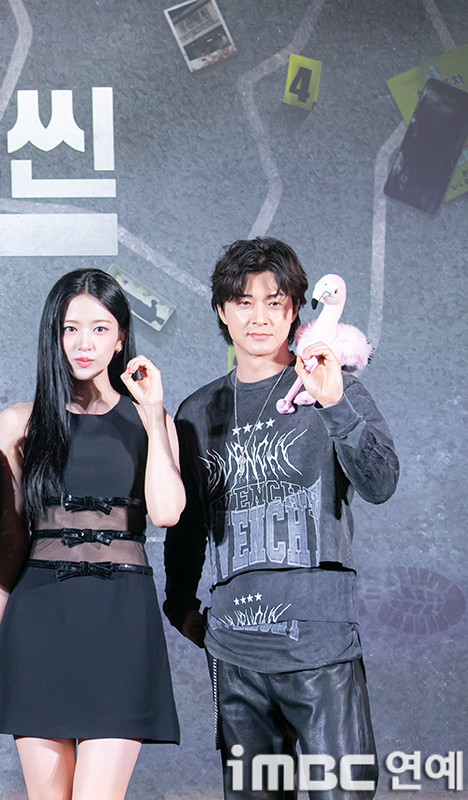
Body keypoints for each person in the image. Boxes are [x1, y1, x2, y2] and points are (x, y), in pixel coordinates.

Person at [163, 238, 399, 799]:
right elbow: (188, 526)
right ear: (222, 311)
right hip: (235, 655)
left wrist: (335, 403)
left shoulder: (332, 386)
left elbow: (381, 483)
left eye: (274, 302)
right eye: (243, 302)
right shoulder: (197, 412)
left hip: (320, 647)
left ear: (295, 310)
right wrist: (180, 607)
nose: (259, 317)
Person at [0, 268, 185, 800]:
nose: (83, 343)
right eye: (70, 329)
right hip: (38, 626)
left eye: (99, 329)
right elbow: (10, 541)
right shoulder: (19, 423)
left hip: (121, 626)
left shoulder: (151, 420)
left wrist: (153, 411)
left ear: (121, 338)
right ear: (54, 335)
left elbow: (167, 512)